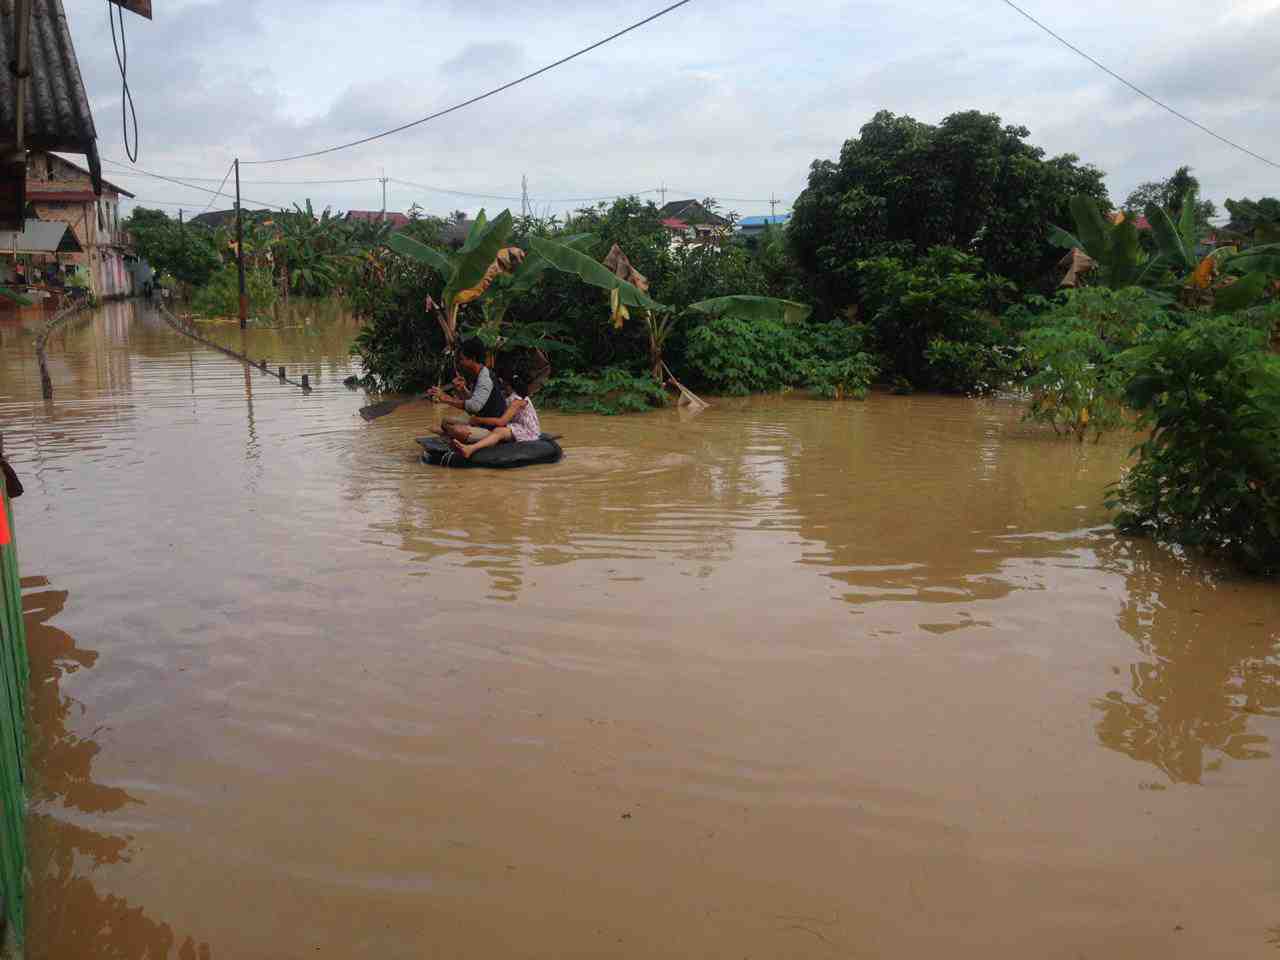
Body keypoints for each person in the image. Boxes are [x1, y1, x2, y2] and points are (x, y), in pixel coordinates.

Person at [428, 338, 507, 442]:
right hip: (479, 422)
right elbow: (475, 400)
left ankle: (452, 435)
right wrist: (462, 390)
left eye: (462, 359)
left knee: (457, 431)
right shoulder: (479, 374)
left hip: (491, 428)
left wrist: (445, 398)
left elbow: (474, 407)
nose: (460, 362)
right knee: (445, 422)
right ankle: (451, 435)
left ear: (472, 359)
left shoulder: (484, 379)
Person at [448, 373, 542, 460]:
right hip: (516, 425)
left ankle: (470, 449)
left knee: (499, 431)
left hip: (528, 430)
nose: (502, 386)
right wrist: (463, 389)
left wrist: (479, 420)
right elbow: (477, 402)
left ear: (509, 386)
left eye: (503, 384)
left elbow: (502, 422)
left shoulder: (518, 401)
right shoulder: (507, 396)